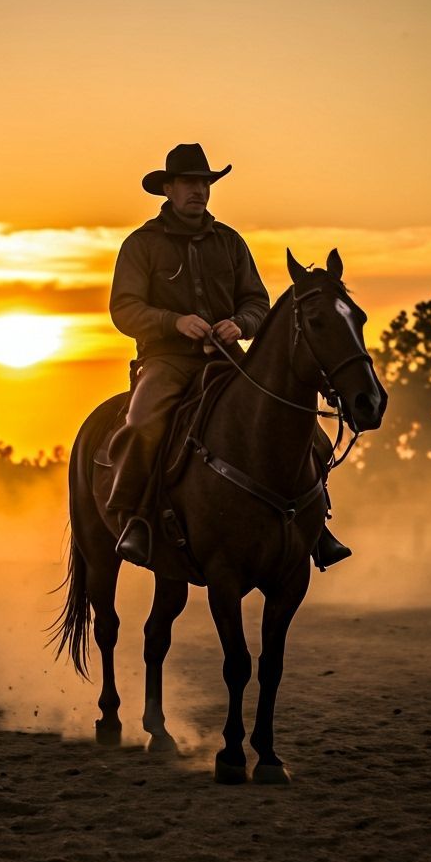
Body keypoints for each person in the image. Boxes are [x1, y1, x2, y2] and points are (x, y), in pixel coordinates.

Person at [105, 142, 352, 571]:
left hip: (229, 358)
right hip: (166, 360)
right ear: (168, 188)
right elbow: (124, 308)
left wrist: (241, 324)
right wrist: (173, 322)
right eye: (187, 182)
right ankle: (134, 519)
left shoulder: (231, 243)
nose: (197, 190)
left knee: (304, 426)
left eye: (204, 183)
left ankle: (315, 524)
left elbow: (257, 301)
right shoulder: (141, 244)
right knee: (143, 422)